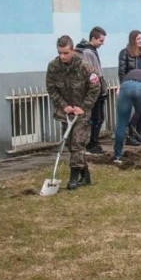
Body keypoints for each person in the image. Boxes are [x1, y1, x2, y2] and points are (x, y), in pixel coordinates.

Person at [46, 35, 101, 189]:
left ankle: (73, 179)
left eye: (65, 53)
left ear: (72, 51)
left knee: (77, 143)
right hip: (66, 112)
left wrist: (83, 107)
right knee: (71, 144)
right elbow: (51, 88)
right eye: (60, 53)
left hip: (82, 112)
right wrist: (64, 106)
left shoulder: (85, 66)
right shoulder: (53, 66)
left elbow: (95, 88)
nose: (62, 56)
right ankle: (86, 176)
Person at [75, 26, 108, 154]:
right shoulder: (88, 52)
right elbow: (93, 74)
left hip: (98, 90)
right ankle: (91, 144)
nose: (102, 43)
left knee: (99, 118)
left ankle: (95, 143)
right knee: (96, 118)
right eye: (101, 40)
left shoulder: (92, 50)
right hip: (94, 91)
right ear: (93, 38)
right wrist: (99, 89)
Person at [118, 30, 141, 144]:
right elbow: (122, 71)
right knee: (129, 110)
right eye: (138, 39)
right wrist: (124, 84)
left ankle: (136, 133)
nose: (140, 41)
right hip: (130, 85)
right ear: (133, 40)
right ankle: (130, 135)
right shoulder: (125, 53)